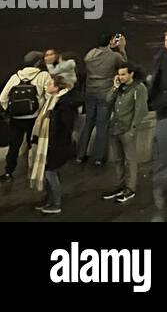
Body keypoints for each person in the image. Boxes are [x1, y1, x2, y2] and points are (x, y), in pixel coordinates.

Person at [1, 51, 53, 182]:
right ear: (38, 62)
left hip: (16, 119)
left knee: (14, 146)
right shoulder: (43, 75)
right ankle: (35, 172)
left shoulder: (15, 76)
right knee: (34, 145)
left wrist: (10, 110)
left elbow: (2, 97)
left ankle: (8, 172)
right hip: (34, 118)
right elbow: (49, 96)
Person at [101, 63, 147, 204]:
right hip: (115, 127)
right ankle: (120, 184)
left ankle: (130, 187)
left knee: (130, 159)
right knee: (118, 159)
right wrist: (115, 86)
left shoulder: (139, 88)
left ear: (131, 74)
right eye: (119, 74)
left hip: (127, 129)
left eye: (123, 74)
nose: (120, 77)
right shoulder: (120, 87)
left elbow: (141, 110)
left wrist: (132, 130)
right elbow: (108, 100)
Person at [78, 33, 128, 165]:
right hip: (105, 92)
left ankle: (80, 154)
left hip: (90, 92)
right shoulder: (114, 56)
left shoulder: (89, 55)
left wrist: (108, 47)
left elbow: (95, 56)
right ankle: (99, 157)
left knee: (89, 122)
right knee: (102, 125)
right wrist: (121, 48)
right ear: (111, 41)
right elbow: (125, 66)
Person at [29, 74, 75, 214]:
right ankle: (49, 200)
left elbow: (66, 126)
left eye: (50, 84)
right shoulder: (51, 101)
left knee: (50, 173)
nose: (46, 86)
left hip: (57, 144)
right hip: (50, 143)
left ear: (57, 87)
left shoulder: (63, 103)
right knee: (48, 171)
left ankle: (56, 203)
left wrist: (54, 142)